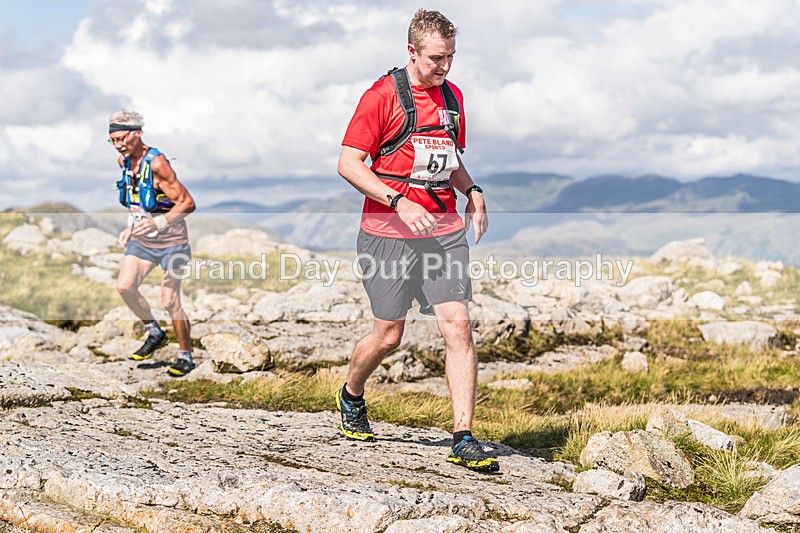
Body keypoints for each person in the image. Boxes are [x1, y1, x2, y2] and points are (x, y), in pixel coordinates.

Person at [336, 9, 497, 472]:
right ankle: (352, 394)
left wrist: (473, 191)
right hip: (386, 233)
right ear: (411, 51)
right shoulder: (381, 97)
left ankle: (463, 436)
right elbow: (349, 164)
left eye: (450, 57)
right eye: (435, 58)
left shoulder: (453, 97)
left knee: (459, 326)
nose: (445, 67)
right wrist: (398, 200)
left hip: (444, 231)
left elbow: (449, 157)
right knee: (389, 335)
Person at [108, 110, 197, 377]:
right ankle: (154, 331)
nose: (118, 144)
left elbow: (188, 204)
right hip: (143, 240)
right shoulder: (123, 161)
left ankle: (185, 355)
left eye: (122, 138)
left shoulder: (157, 163)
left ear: (137, 134)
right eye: (112, 140)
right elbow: (136, 198)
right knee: (124, 286)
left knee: (170, 300)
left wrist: (159, 224)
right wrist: (131, 226)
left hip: (172, 242)